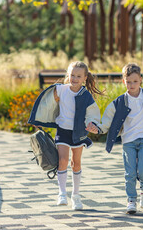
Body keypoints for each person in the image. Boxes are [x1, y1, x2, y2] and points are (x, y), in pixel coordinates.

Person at [86, 63, 143, 214]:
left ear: (140, 79)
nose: (132, 85)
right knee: (130, 173)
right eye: (128, 82)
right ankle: (131, 200)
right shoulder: (119, 102)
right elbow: (107, 120)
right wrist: (98, 128)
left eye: (135, 81)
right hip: (128, 141)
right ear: (123, 81)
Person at [49, 61, 102, 210]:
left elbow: (92, 113)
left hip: (78, 132)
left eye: (78, 76)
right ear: (68, 75)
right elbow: (47, 102)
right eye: (72, 75)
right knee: (63, 160)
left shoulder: (86, 96)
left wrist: (92, 125)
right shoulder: (60, 90)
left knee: (76, 163)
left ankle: (76, 196)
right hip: (63, 130)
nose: (74, 78)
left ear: (85, 78)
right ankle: (62, 193)